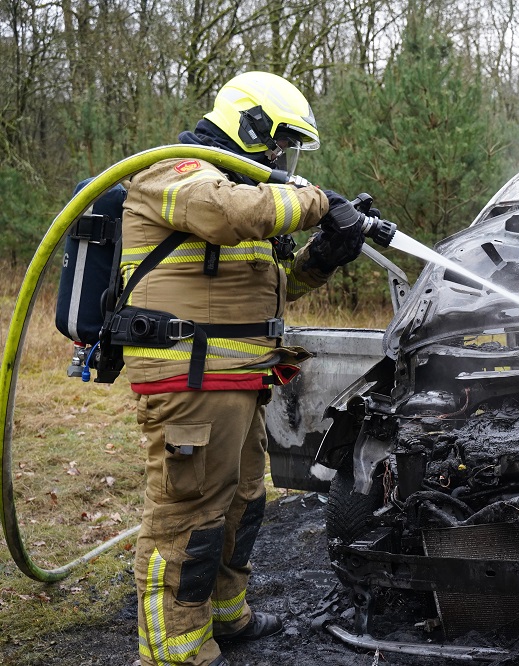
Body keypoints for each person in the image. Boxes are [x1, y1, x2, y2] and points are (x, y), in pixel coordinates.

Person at [122, 71, 385, 666]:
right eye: (280, 145)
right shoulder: (176, 172)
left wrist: (323, 257)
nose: (283, 160)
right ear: (249, 126)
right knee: (186, 512)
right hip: (189, 381)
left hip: (237, 381)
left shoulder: (241, 189)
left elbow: (264, 290)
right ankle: (174, 650)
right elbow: (229, 214)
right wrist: (321, 203)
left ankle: (223, 615)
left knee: (242, 498)